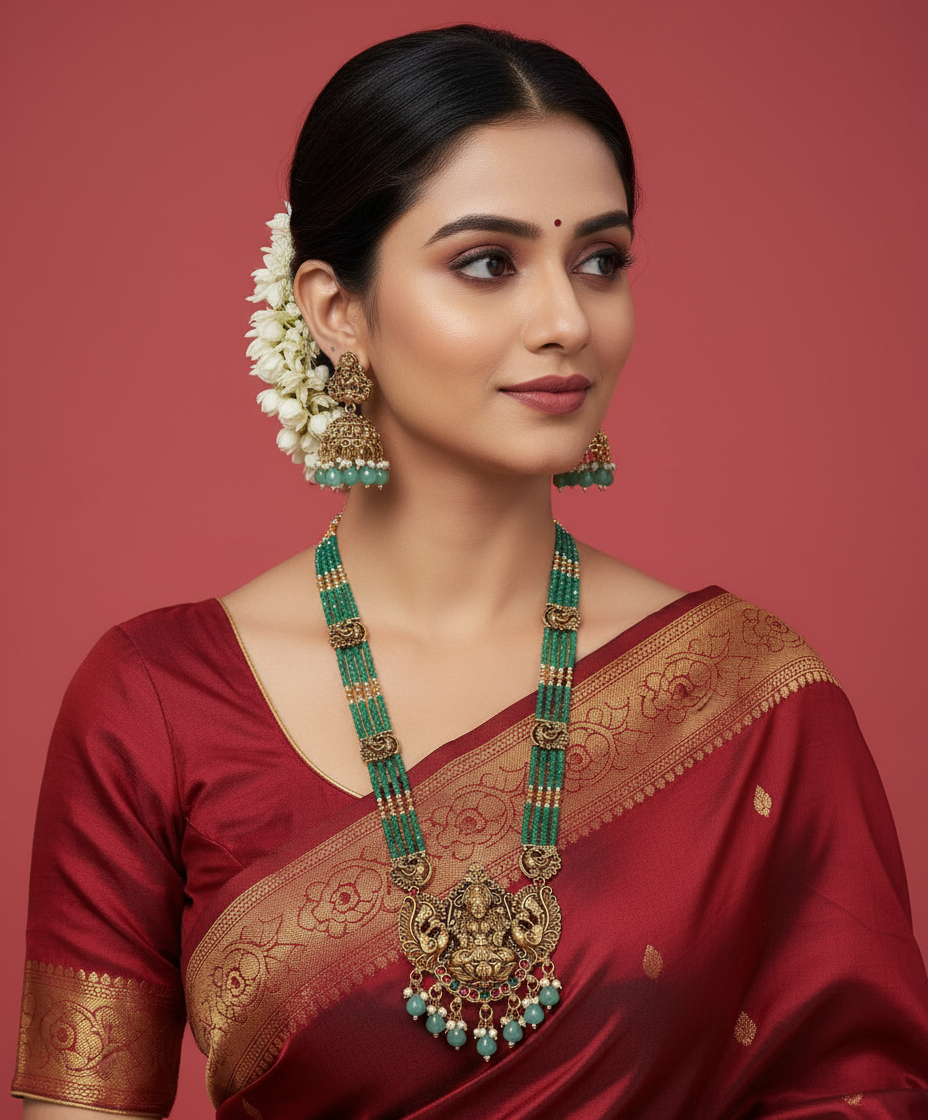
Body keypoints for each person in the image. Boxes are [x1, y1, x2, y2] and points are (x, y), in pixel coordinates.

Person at [12, 24, 928, 1120]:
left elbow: (859, 1093)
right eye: (488, 263)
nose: (565, 319)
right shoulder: (153, 702)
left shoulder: (755, 702)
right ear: (337, 311)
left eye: (600, 260)